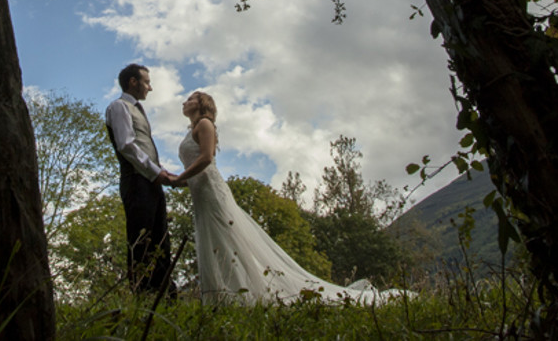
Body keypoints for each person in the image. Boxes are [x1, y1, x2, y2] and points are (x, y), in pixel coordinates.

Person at [173, 91, 406, 305]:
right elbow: (196, 170)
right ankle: (219, 297)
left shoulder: (205, 124)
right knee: (212, 241)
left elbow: (206, 159)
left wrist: (178, 178)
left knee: (226, 241)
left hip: (212, 193)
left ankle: (242, 296)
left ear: (203, 104)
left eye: (191, 98)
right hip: (200, 194)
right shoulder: (191, 130)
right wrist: (174, 180)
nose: (185, 102)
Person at [105, 64, 179, 296]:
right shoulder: (119, 107)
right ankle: (144, 296)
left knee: (161, 240)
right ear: (133, 82)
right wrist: (155, 172)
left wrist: (162, 172)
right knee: (142, 240)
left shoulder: (137, 109)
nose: (150, 87)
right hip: (136, 182)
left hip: (150, 181)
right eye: (147, 82)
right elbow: (126, 145)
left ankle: (165, 297)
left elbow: (142, 146)